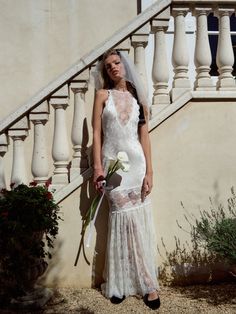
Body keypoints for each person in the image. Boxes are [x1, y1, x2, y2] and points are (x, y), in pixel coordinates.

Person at [92, 49, 160, 310]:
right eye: (108, 66)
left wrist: (150, 172)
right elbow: (97, 134)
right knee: (124, 221)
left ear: (124, 64)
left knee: (136, 222)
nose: (113, 68)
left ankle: (142, 282)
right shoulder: (101, 96)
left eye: (116, 63)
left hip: (137, 166)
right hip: (113, 167)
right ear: (105, 72)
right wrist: (98, 168)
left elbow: (145, 136)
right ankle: (134, 282)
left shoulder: (138, 98)